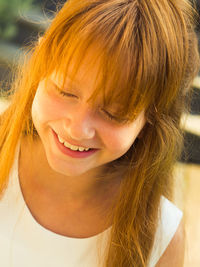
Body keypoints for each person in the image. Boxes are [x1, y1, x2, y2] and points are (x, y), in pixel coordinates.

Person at [0, 0, 199, 266]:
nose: (77, 129)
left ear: (149, 120)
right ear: (41, 67)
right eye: (65, 92)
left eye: (113, 113)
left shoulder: (159, 238)